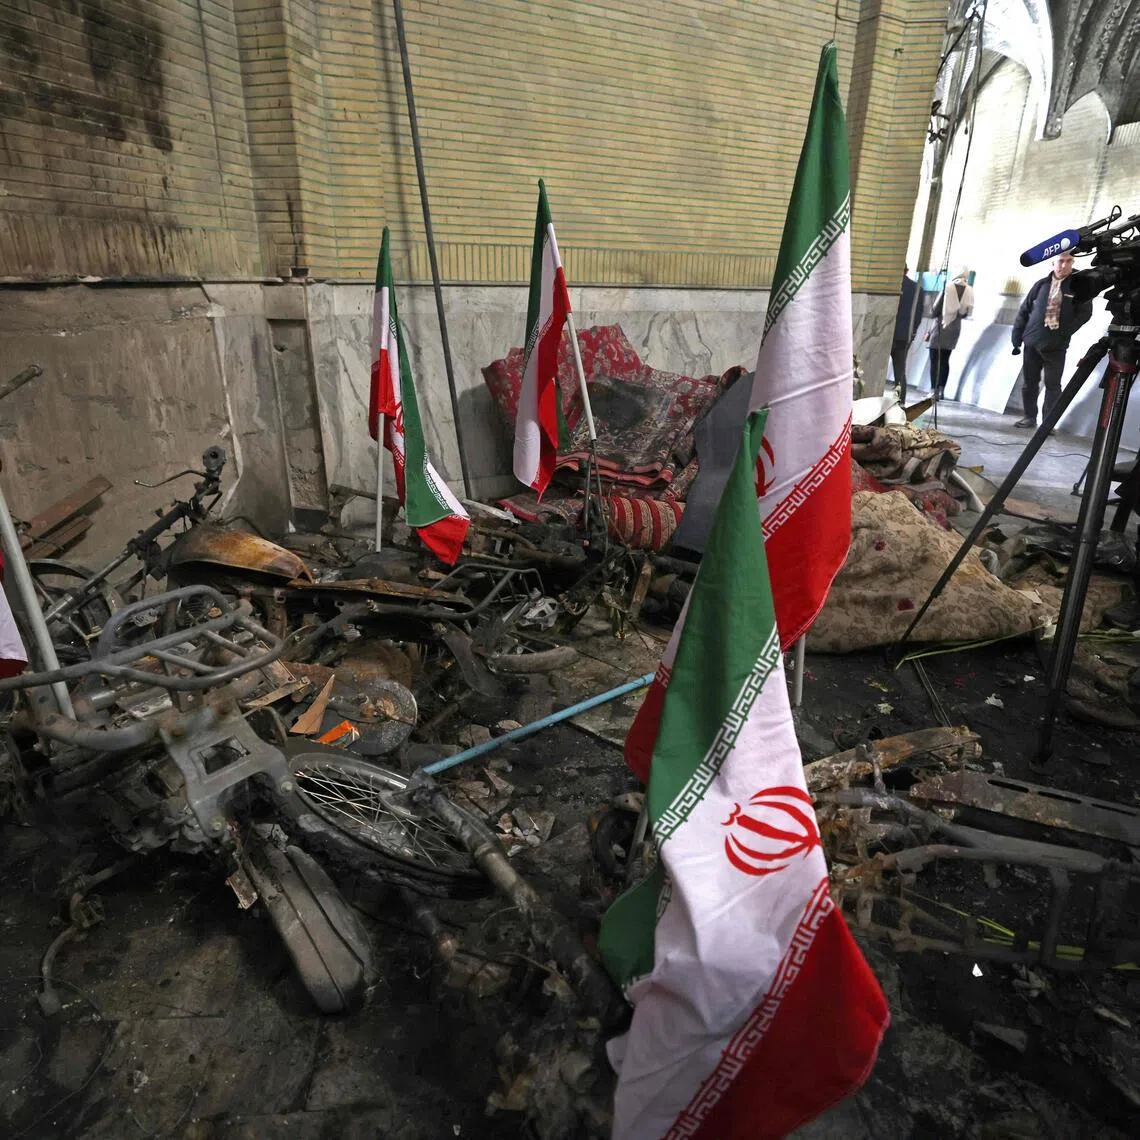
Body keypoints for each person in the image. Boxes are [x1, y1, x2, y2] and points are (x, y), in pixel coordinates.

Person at [1011, 252, 1093, 429]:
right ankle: (1029, 417)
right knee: (1030, 383)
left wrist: (1065, 332)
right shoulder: (1041, 285)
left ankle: (1048, 424)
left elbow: (1085, 314)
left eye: (1069, 261)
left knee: (1053, 386)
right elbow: (1024, 310)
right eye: (1061, 261)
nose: (1064, 265)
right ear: (1052, 263)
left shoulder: (1078, 287)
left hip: (1056, 346)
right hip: (1032, 341)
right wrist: (1017, 335)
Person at [925, 268, 974, 399]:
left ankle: (933, 390)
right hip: (955, 328)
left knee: (935, 359)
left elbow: (935, 310)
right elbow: (965, 313)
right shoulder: (969, 290)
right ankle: (941, 390)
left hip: (941, 326)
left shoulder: (948, 287)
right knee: (945, 360)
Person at [890, 267, 923, 403]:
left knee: (874, 366)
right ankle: (900, 401)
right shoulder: (916, 288)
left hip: (885, 333)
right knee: (899, 369)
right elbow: (918, 314)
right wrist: (913, 332)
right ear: (907, 270)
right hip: (904, 335)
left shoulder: (889, 285)